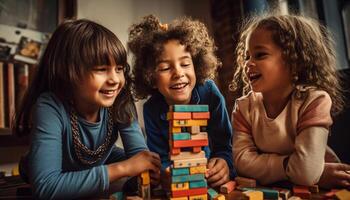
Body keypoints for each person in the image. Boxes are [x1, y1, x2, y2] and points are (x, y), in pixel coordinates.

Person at [13, 19, 161, 199]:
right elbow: (46, 187)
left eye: (119, 68)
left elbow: (139, 156)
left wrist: (148, 170)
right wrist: (124, 168)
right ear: (69, 72)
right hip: (50, 170)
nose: (114, 79)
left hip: (97, 159)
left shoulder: (120, 99)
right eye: (101, 69)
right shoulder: (50, 106)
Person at [230, 13, 350, 188]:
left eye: (260, 55)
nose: (248, 63)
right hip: (301, 182)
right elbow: (242, 162)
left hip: (320, 188)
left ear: (295, 61)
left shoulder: (314, 101)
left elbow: (307, 172)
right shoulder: (244, 107)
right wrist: (293, 167)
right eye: (247, 56)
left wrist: (304, 173)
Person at [127, 15, 236, 188]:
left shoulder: (210, 93)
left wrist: (225, 163)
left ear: (197, 65)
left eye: (185, 64)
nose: (178, 73)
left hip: (210, 182)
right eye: (165, 68)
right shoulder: (152, 109)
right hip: (180, 187)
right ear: (151, 77)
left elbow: (226, 144)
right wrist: (166, 173)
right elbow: (160, 157)